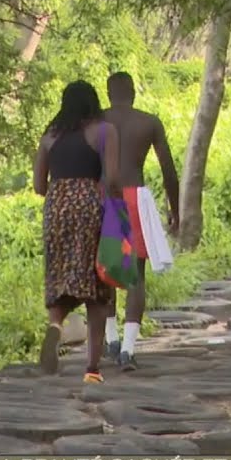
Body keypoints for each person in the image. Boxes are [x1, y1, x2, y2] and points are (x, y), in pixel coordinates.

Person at [33, 80, 122, 383]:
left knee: (60, 277)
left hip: (56, 206)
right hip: (89, 206)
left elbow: (38, 186)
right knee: (96, 289)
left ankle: (56, 327)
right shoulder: (104, 131)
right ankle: (92, 369)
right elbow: (111, 179)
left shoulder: (50, 136)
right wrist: (118, 212)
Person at [100, 71, 179, 372]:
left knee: (105, 271)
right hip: (135, 197)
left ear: (108, 94)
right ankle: (128, 350)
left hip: (104, 196)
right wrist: (176, 210)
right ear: (133, 92)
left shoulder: (96, 121)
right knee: (136, 274)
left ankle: (111, 339)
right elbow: (169, 170)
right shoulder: (148, 122)